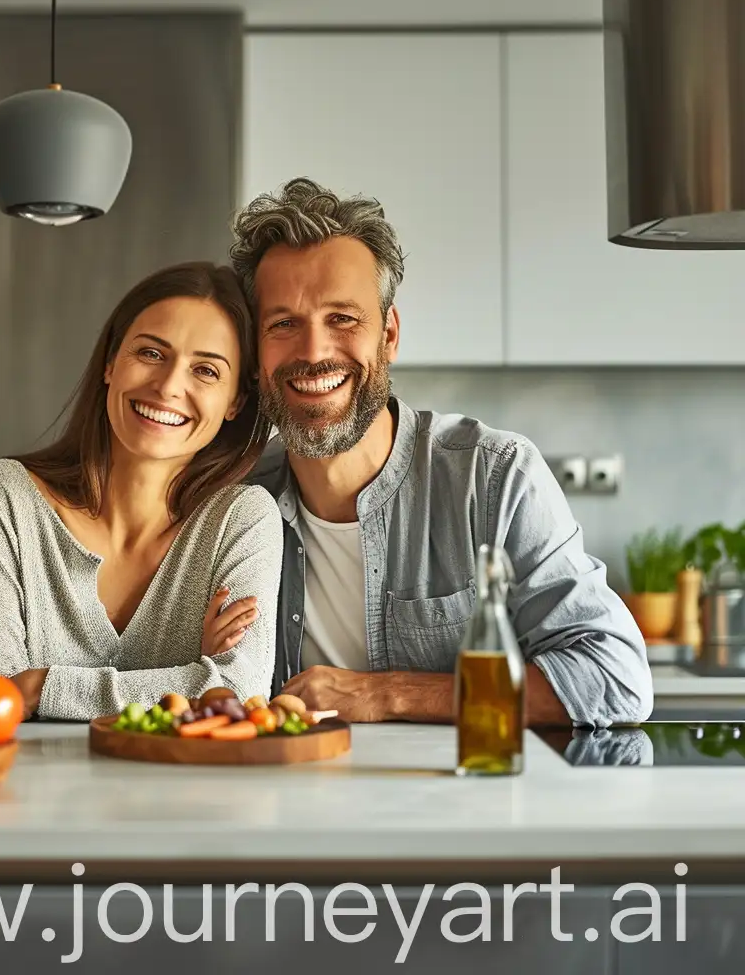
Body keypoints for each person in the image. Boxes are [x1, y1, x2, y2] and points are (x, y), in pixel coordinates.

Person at [232, 177, 652, 725]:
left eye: (342, 319)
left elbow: (614, 677)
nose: (314, 352)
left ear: (388, 336)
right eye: (284, 324)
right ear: (254, 350)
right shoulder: (234, 501)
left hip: (468, 802)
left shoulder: (494, 477)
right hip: (287, 803)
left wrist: (391, 694)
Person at [0, 262, 282, 717]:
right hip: (13, 788)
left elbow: (240, 690)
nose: (169, 386)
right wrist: (194, 678)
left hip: (178, 791)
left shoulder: (241, 520)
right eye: (152, 354)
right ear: (110, 363)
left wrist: (41, 686)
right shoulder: (3, 499)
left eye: (206, 371)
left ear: (235, 401)